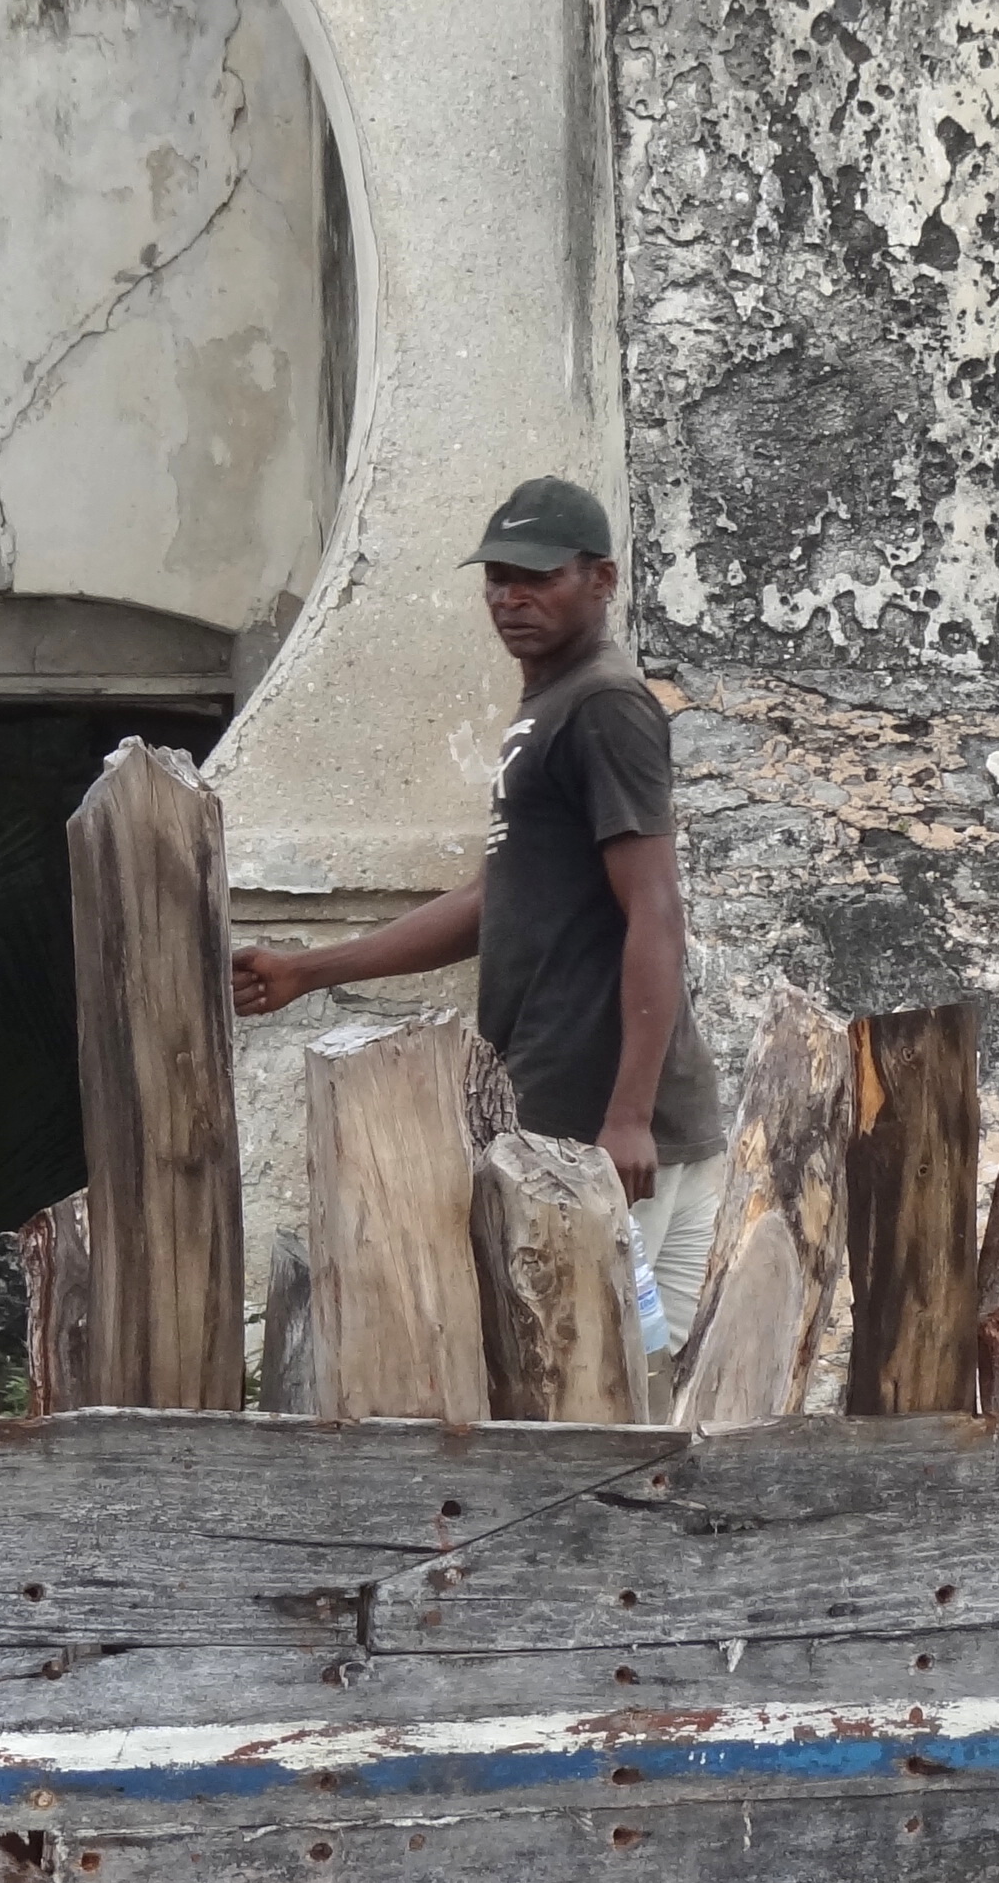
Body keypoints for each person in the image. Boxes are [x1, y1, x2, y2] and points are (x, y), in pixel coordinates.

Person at [228, 477, 730, 1339]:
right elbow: (495, 897)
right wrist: (310, 971)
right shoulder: (549, 710)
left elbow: (656, 910)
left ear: (602, 580)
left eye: (539, 577)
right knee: (635, 1387)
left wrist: (627, 1117)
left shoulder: (604, 706)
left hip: (603, 1135)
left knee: (603, 1383)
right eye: (497, 577)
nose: (511, 597)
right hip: (586, 1125)